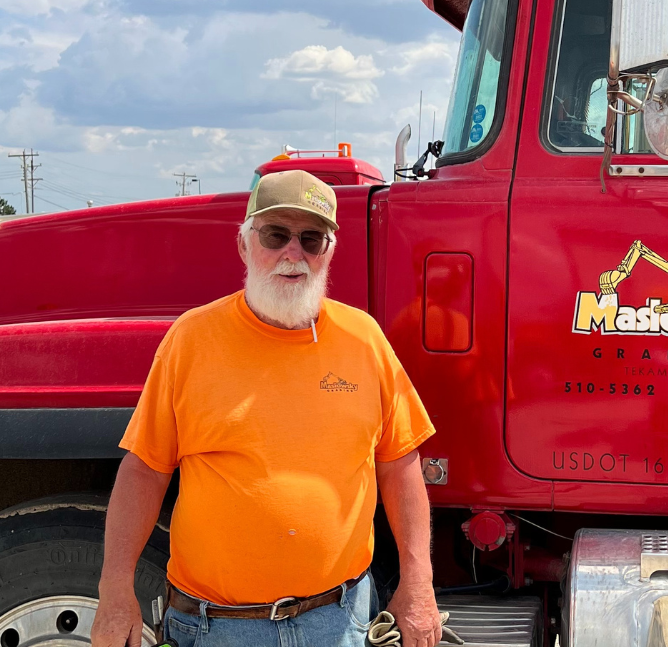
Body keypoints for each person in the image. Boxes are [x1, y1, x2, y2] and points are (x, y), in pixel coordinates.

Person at [91, 170, 441, 647]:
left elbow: (400, 466)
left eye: (311, 239)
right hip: (215, 628)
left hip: (338, 623)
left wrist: (418, 584)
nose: (292, 254)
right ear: (244, 244)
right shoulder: (191, 340)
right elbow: (144, 470)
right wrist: (114, 593)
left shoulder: (365, 340)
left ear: (329, 252)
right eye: (275, 235)